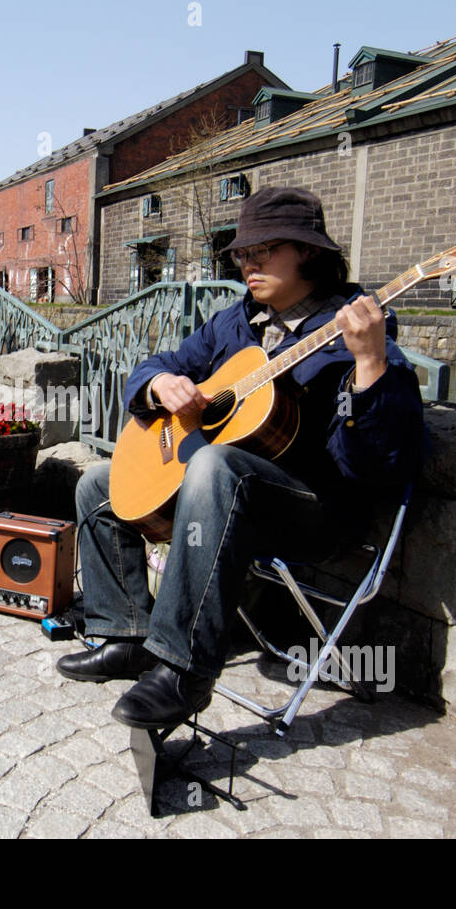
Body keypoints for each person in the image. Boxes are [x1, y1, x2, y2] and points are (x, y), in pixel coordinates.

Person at [57, 186, 425, 729]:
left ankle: (183, 671)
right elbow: (157, 363)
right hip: (225, 497)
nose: (247, 263)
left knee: (214, 464)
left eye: (263, 250)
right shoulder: (237, 322)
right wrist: (162, 384)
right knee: (99, 484)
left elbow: (378, 467)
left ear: (309, 253)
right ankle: (125, 634)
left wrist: (370, 366)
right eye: (241, 253)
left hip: (314, 510)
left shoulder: (356, 335)